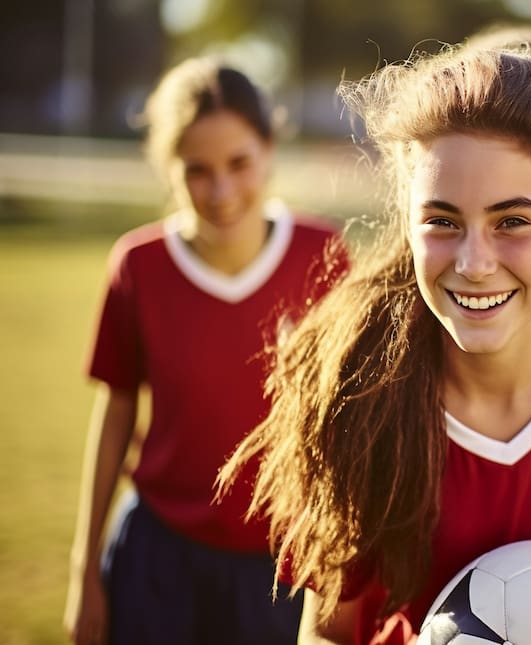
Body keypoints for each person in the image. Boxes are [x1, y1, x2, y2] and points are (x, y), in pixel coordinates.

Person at [218, 45, 531, 645]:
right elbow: (327, 633)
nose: (474, 263)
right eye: (442, 221)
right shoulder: (363, 400)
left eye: (512, 222)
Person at [63, 57, 343, 645]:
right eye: (197, 170)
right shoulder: (138, 265)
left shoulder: (323, 257)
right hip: (157, 554)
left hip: (282, 562)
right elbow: (116, 413)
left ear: (269, 149)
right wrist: (83, 568)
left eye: (239, 163)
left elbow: (353, 420)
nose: (220, 191)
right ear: (169, 170)